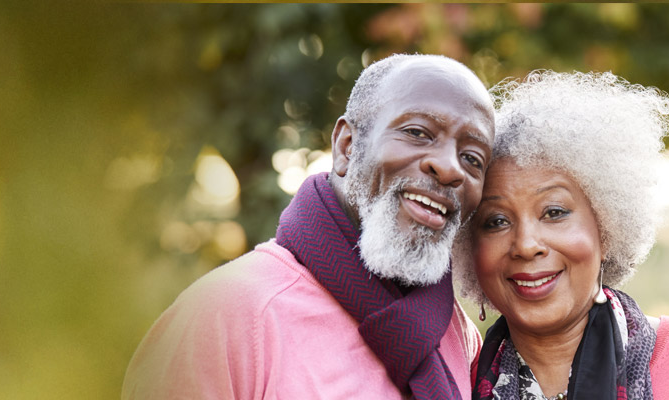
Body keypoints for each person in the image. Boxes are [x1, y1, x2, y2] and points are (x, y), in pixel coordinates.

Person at [123, 54, 494, 400]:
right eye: (417, 132)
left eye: (472, 158)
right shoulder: (222, 316)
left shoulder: (459, 337)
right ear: (347, 147)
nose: (449, 168)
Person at [457, 71, 669, 400]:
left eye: (554, 212)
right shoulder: (449, 387)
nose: (525, 245)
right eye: (495, 221)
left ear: (605, 229)